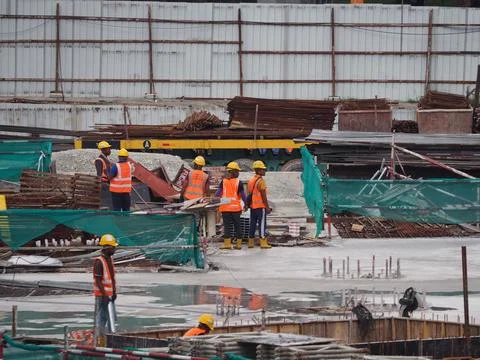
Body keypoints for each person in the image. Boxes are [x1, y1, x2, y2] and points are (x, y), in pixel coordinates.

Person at [93, 234, 118, 346]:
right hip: (101, 295)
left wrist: (114, 293)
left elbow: (111, 278)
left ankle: (110, 340)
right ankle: (100, 342)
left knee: (111, 319)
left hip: (109, 295)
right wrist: (104, 295)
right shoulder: (99, 261)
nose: (115, 249)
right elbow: (98, 280)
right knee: (101, 319)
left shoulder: (109, 259)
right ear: (107, 247)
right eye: (113, 247)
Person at [215, 162, 247, 250]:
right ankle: (239, 244)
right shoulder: (238, 182)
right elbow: (243, 195)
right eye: (237, 171)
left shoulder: (223, 182)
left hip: (225, 209)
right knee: (237, 226)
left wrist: (214, 200)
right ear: (232, 172)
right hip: (236, 209)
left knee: (227, 226)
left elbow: (218, 193)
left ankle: (227, 244)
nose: (238, 173)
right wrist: (246, 204)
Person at [246, 160, 272, 249]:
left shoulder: (251, 180)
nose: (264, 171)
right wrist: (267, 207)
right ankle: (263, 241)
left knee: (252, 223)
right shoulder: (261, 181)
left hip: (253, 206)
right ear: (258, 170)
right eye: (263, 169)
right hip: (260, 207)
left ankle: (250, 242)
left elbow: (249, 193)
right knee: (262, 224)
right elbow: (263, 195)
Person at [95, 141, 112, 209]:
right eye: (108, 149)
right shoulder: (99, 160)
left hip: (107, 183)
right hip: (104, 184)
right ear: (103, 149)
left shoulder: (106, 159)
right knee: (106, 203)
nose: (110, 150)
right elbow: (99, 174)